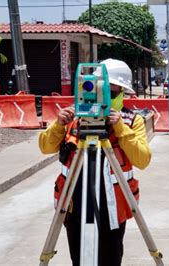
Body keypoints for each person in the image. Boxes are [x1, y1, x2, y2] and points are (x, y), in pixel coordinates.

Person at [39, 58, 152, 266]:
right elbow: (45, 147)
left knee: (110, 258)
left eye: (114, 92)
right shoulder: (74, 116)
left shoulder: (132, 120)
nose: (107, 98)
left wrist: (119, 128)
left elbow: (143, 159)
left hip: (113, 206)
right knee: (79, 259)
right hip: (74, 202)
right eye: (104, 91)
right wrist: (58, 125)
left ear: (123, 94)